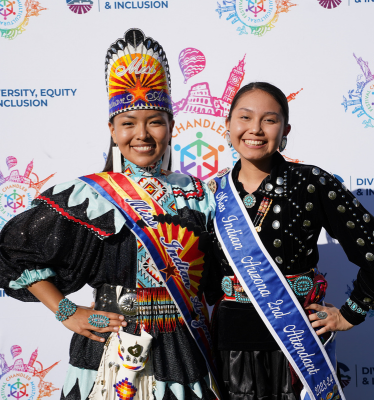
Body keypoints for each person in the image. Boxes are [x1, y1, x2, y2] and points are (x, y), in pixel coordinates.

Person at [0, 28, 219, 400]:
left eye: (154, 121)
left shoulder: (198, 195)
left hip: (183, 347)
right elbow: (12, 253)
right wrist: (67, 310)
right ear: (112, 130)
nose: (142, 134)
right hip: (109, 344)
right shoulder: (90, 196)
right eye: (129, 123)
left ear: (171, 126)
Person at [206, 82, 374, 400]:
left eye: (269, 119)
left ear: (285, 130)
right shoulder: (210, 194)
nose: (255, 129)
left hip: (298, 346)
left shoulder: (312, 183)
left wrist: (351, 312)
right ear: (228, 126)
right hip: (230, 348)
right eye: (245, 117)